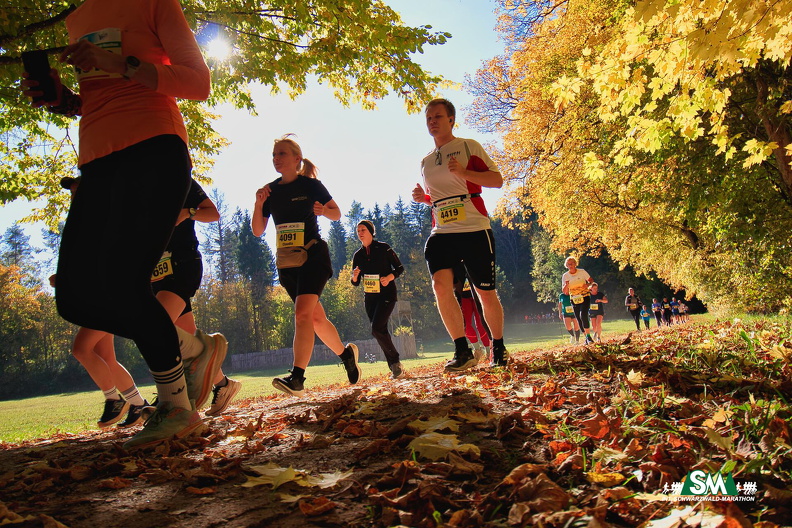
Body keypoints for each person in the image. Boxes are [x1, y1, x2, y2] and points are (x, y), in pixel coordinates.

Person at [21, 0, 226, 450]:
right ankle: (194, 350)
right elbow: (96, 98)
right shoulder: (77, 17)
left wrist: (122, 63)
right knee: (74, 296)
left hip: (153, 147)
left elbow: (198, 83)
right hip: (96, 162)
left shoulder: (154, 4)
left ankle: (176, 408)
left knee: (126, 284)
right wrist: (60, 98)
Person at [252, 136, 360, 396]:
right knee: (315, 318)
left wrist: (323, 211)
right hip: (287, 263)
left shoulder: (311, 185)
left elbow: (336, 213)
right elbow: (257, 230)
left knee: (301, 315)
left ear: (296, 159)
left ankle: (297, 378)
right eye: (274, 154)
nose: (276, 158)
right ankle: (346, 355)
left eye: (282, 153)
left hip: (313, 256)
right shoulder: (269, 191)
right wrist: (258, 203)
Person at [411, 98, 509, 370]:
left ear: (451, 120)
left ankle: (498, 348)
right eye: (429, 118)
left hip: (474, 229)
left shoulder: (468, 146)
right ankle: (462, 350)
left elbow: (497, 180)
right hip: (442, 232)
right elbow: (439, 197)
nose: (432, 121)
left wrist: (465, 172)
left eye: (438, 116)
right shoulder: (426, 161)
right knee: (440, 286)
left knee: (485, 293)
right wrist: (424, 199)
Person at [50, 177, 150, 428]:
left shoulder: (103, 220)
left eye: (78, 191)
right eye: (72, 192)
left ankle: (113, 399)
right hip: (98, 298)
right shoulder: (84, 224)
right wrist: (64, 279)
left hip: (111, 296)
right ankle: (139, 404)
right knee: (106, 358)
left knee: (81, 349)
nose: (74, 196)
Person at [151, 178, 241, 416]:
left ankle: (172, 399)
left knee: (156, 328)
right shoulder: (131, 188)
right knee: (187, 338)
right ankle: (223, 384)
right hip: (155, 274)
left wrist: (188, 213)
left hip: (182, 263)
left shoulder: (179, 180)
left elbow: (213, 213)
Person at [350, 220, 406, 379]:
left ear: (371, 231)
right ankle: (396, 367)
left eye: (363, 229)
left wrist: (389, 277)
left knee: (376, 329)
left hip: (387, 295)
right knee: (380, 331)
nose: (360, 233)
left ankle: (395, 361)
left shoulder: (383, 248)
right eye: (358, 230)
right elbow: (355, 283)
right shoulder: (358, 255)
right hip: (370, 299)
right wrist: (354, 277)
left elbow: (400, 268)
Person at [453, 265, 492, 363]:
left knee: (481, 323)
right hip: (463, 296)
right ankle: (477, 350)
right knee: (465, 325)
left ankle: (489, 351)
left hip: (477, 294)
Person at [561, 257, 595, 344]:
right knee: (578, 318)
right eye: (569, 264)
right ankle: (586, 337)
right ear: (566, 266)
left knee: (583, 315)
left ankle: (589, 337)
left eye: (572, 263)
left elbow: (591, 280)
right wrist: (567, 285)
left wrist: (587, 284)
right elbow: (565, 291)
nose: (571, 265)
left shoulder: (582, 272)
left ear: (575, 264)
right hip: (574, 298)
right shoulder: (565, 276)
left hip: (585, 296)